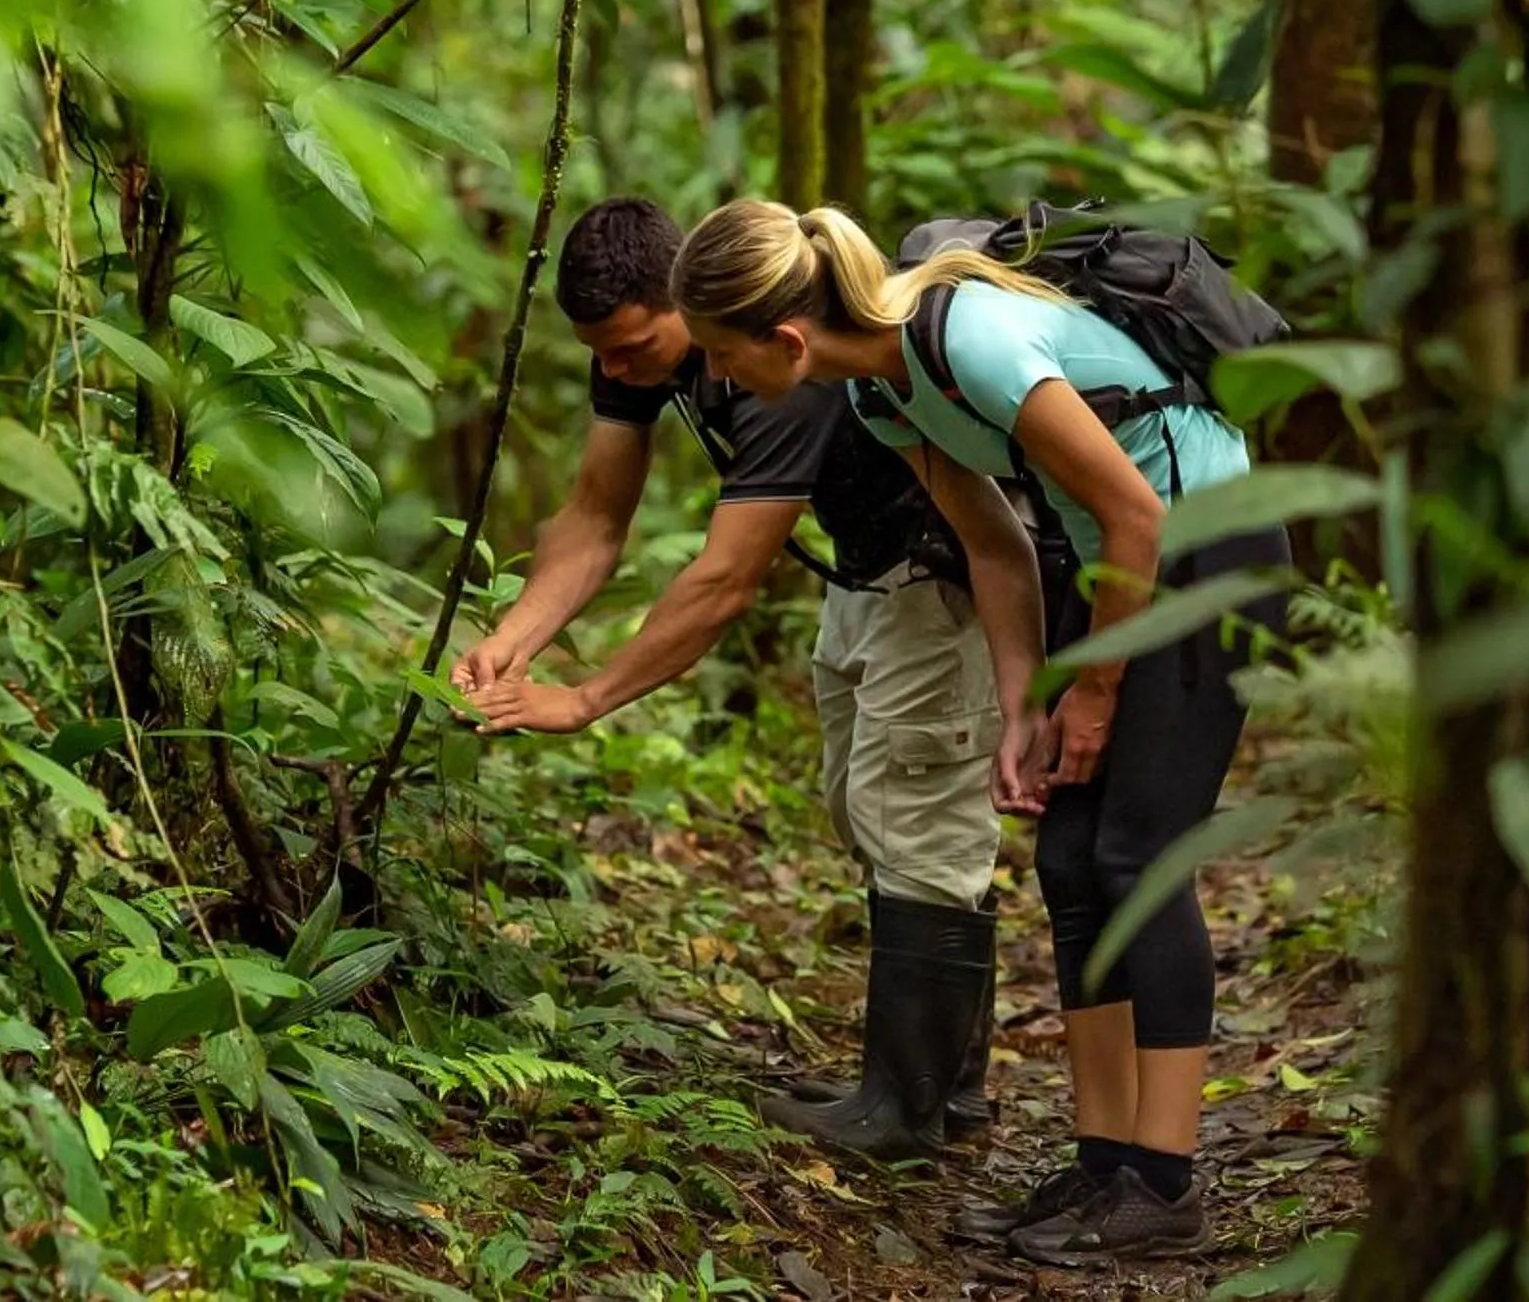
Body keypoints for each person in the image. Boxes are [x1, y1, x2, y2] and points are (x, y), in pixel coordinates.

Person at [668, 200, 1288, 1269]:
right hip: (1112, 578)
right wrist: (1022, 707)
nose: (718, 382)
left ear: (784, 339)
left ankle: (1166, 1185)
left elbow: (1138, 513)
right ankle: (1106, 1163)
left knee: (1137, 856)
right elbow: (992, 545)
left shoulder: (971, 340)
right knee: (1066, 857)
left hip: (1203, 556)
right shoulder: (878, 389)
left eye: (722, 357)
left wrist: (1091, 696)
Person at [455, 198, 1047, 1159]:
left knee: (913, 819)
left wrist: (586, 696)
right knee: (867, 811)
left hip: (945, 580)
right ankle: (939, 1081)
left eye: (633, 343)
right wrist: (512, 638)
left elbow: (726, 578)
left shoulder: (772, 363)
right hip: (868, 572)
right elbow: (596, 515)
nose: (614, 367)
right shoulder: (642, 350)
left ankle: (906, 1106)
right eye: (597, 351)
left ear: (683, 305)